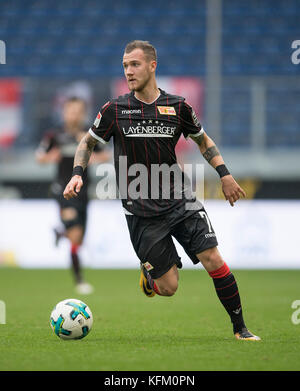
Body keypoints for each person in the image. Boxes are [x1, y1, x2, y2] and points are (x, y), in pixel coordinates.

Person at [63, 41, 261, 340]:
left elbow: (203, 141)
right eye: (125, 65)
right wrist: (77, 173)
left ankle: (241, 329)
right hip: (142, 212)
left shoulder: (178, 107)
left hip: (180, 199)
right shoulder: (115, 109)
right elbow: (87, 142)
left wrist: (225, 174)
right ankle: (150, 277)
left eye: (135, 64)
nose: (129, 71)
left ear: (152, 66)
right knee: (168, 288)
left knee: (213, 259)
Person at [36, 96, 111, 294]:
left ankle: (60, 231)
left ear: (83, 113)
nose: (74, 115)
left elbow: (105, 155)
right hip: (63, 190)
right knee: (75, 234)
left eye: (78, 111)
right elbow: (40, 156)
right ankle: (79, 281)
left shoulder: (89, 135)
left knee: (77, 240)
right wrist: (51, 156)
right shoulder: (55, 135)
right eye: (71, 110)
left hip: (84, 192)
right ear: (64, 112)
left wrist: (90, 156)